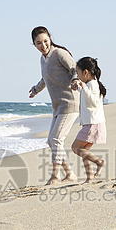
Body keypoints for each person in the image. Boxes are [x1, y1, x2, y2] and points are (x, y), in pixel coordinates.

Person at [29, 26, 80, 185]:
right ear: (34, 44)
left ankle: (55, 176)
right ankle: (70, 174)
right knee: (51, 141)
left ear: (50, 38)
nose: (43, 45)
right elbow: (45, 78)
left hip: (69, 102)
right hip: (57, 105)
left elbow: (74, 68)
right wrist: (36, 89)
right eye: (38, 43)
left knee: (56, 138)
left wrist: (75, 80)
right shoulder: (43, 59)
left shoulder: (59, 53)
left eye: (45, 41)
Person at [71, 56, 107, 183]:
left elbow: (93, 102)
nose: (77, 75)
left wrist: (83, 87)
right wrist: (78, 86)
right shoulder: (90, 84)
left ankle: (99, 161)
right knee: (84, 151)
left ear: (85, 72)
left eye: (78, 72)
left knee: (75, 148)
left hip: (93, 124)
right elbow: (87, 96)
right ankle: (89, 178)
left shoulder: (92, 84)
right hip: (92, 123)